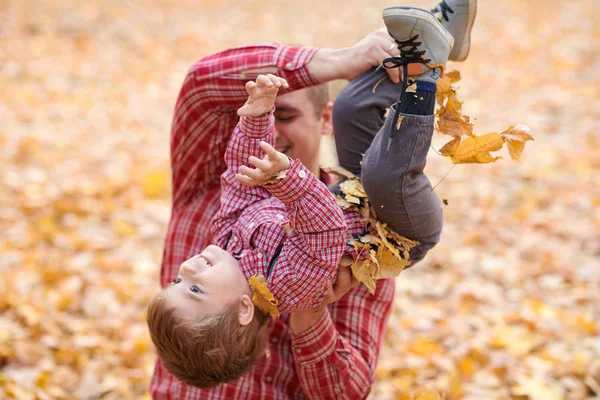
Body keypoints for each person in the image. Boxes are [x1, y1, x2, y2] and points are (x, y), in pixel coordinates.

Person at [150, 0, 477, 397]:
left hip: (354, 199)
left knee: (357, 108)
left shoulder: (227, 240)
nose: (190, 267)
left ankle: (428, 43)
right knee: (384, 173)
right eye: (195, 288)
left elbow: (239, 177)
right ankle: (424, 79)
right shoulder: (290, 285)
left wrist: (256, 117)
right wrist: (310, 313)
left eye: (284, 116)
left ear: (323, 120)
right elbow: (323, 227)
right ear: (243, 309)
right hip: (400, 224)